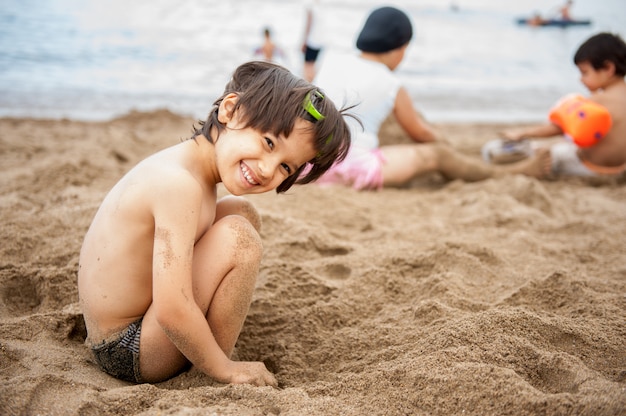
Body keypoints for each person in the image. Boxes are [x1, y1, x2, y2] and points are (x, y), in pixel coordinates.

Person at [77, 61, 352, 386]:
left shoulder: (191, 172)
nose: (267, 170)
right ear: (230, 110)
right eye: (269, 143)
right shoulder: (179, 185)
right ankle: (211, 366)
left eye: (286, 168)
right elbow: (170, 310)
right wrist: (226, 369)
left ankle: (205, 347)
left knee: (241, 212)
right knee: (240, 239)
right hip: (129, 348)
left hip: (129, 326)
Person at [313, 6, 548, 191]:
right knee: (438, 155)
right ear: (399, 49)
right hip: (350, 168)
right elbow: (420, 133)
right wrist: (443, 140)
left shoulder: (332, 60)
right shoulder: (392, 85)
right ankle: (512, 173)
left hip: (311, 160)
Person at [493, 32, 626, 178]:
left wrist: (523, 133)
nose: (581, 80)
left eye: (585, 73)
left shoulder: (598, 101)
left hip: (590, 168)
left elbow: (559, 128)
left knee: (498, 150)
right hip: (619, 170)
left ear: (608, 68)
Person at [301, 0, 325, 82]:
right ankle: (312, 86)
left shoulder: (310, 6)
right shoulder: (320, 6)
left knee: (307, 67)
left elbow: (309, 24)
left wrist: (304, 40)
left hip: (311, 41)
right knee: (312, 66)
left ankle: (308, 87)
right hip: (320, 41)